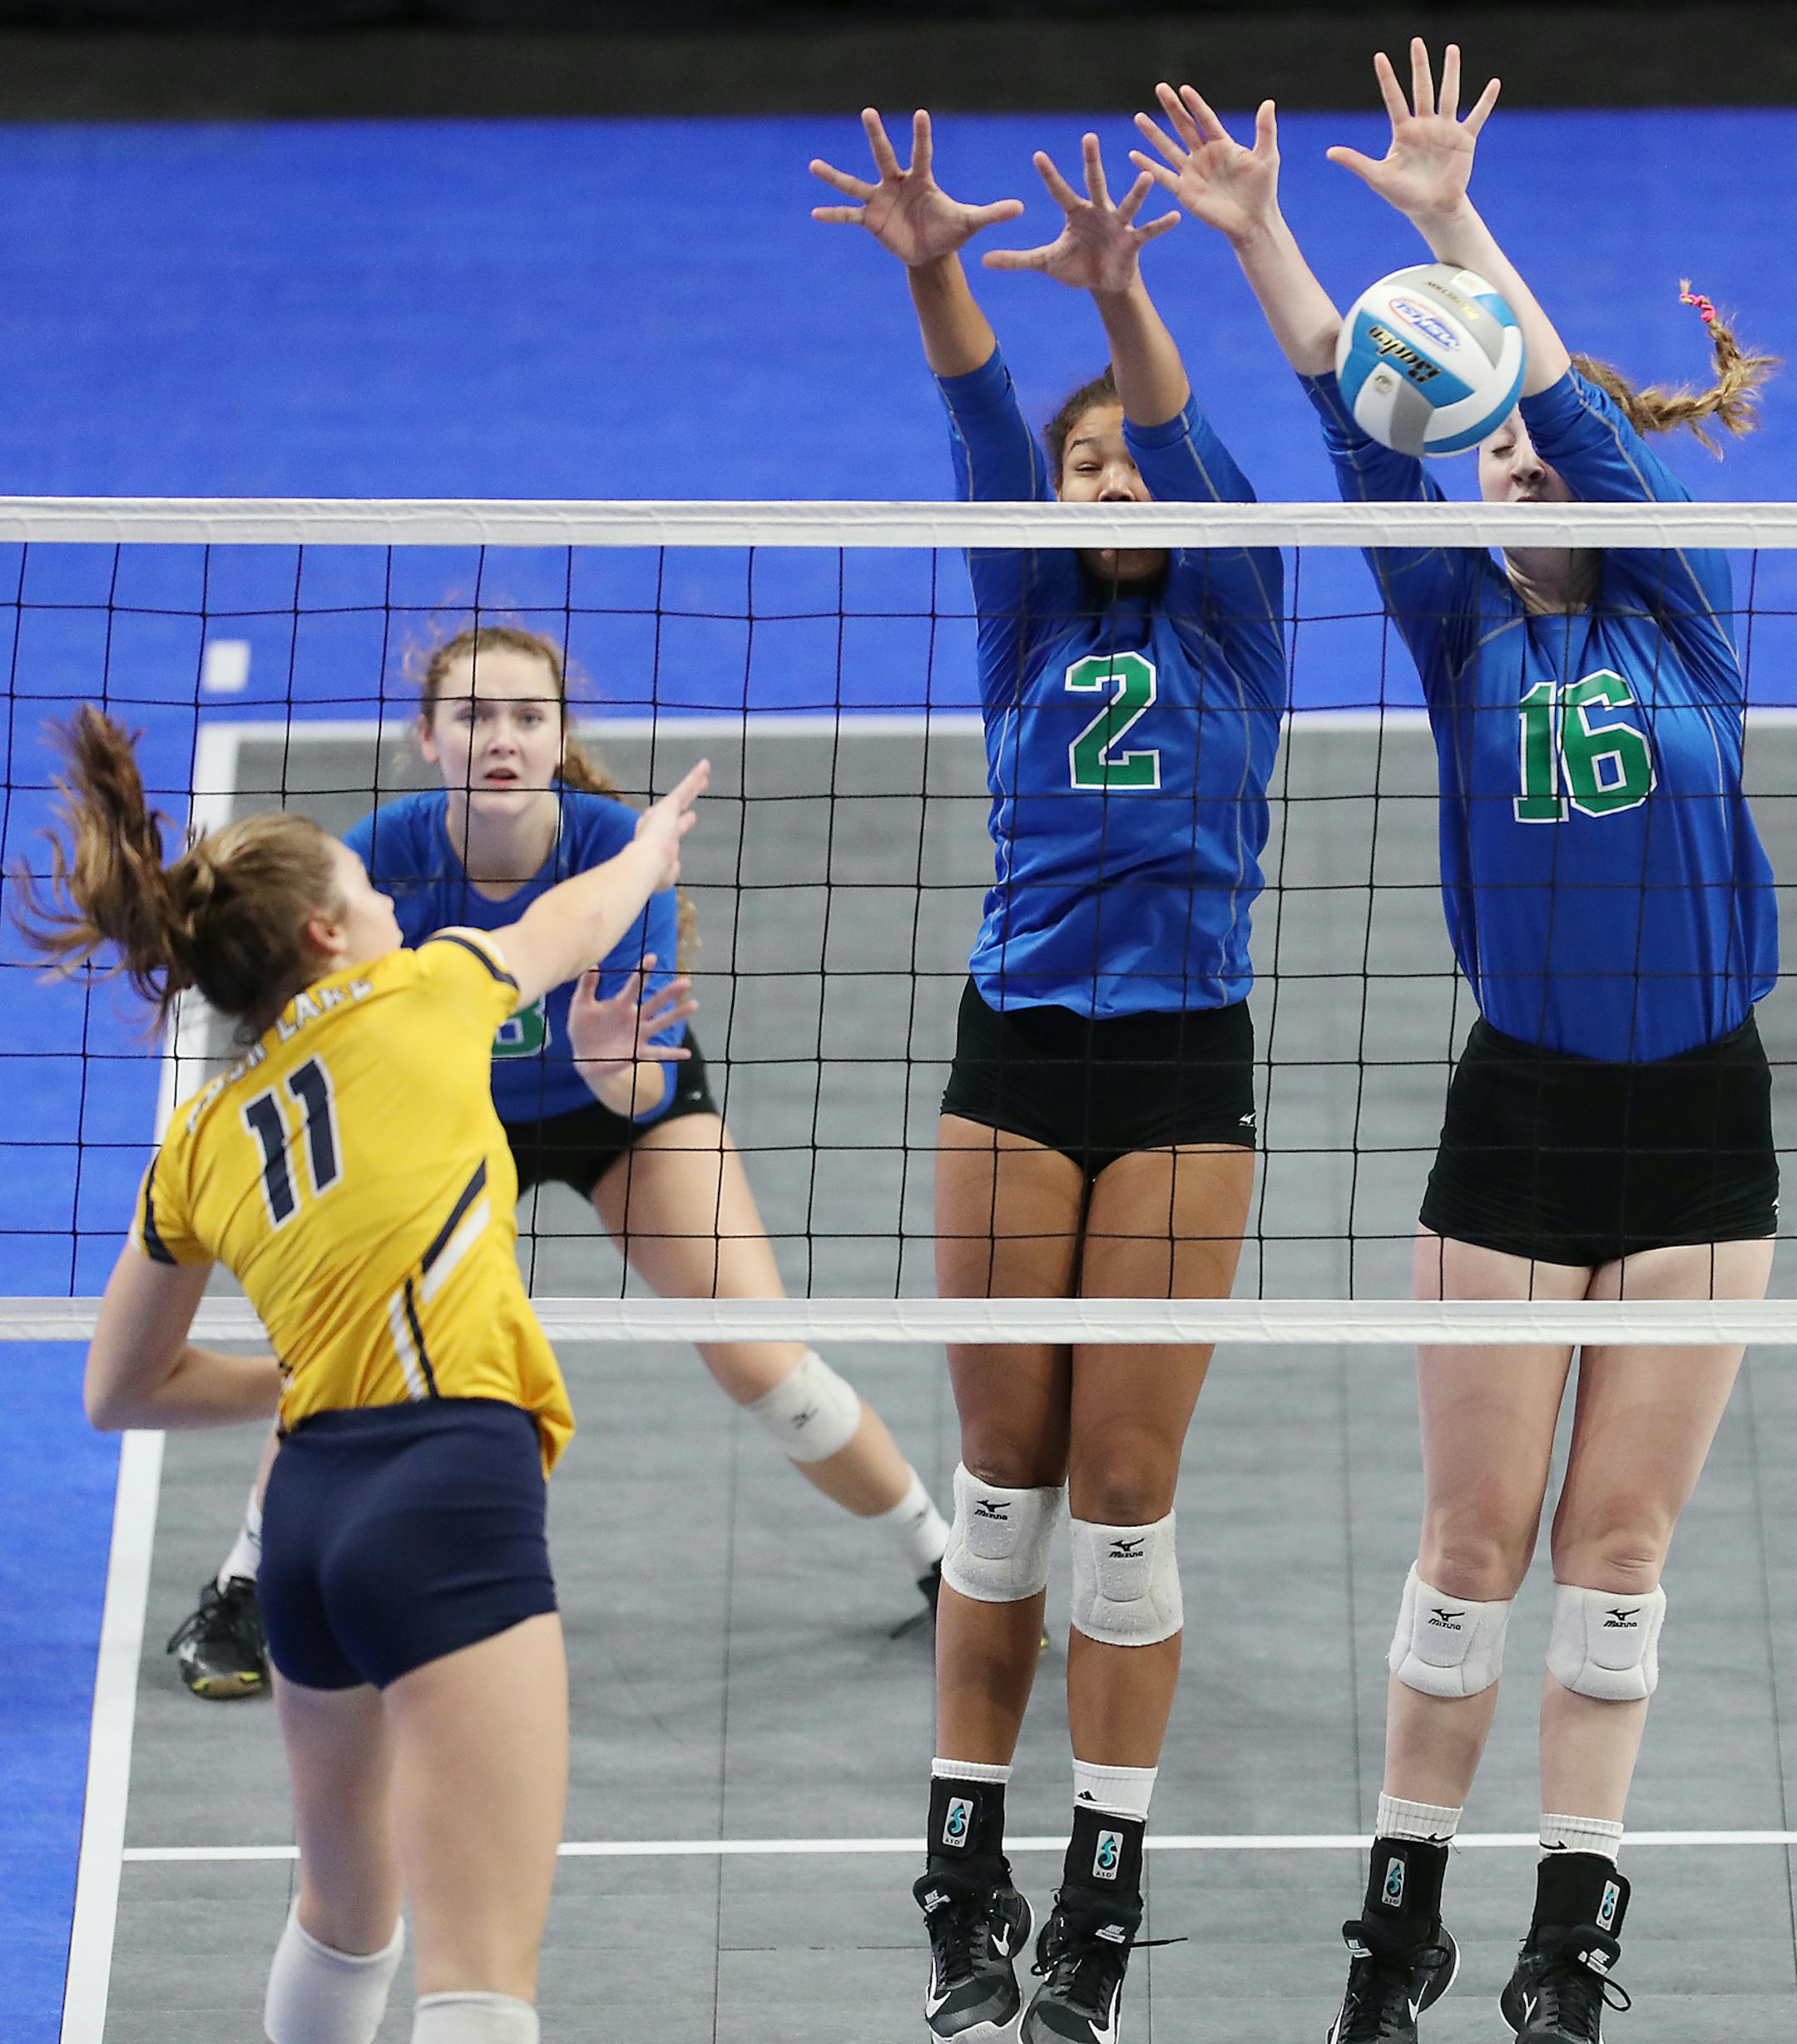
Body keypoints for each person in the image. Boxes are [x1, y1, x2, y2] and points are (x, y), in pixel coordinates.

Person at [1135, 41, 1779, 2042]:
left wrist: (1444, 220)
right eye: (1489, 467)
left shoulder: (1686, 609)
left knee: (1619, 1552)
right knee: (1471, 1543)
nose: (1509, 479)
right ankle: (1395, 1929)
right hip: (1517, 1125)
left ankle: (1567, 1934)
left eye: (1531, 460)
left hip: (1701, 1126)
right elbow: (1361, 424)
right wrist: (1264, 242)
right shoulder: (1458, 628)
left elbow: (1561, 389)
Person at [16, 703, 705, 2043]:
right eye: (368, 887)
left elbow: (118, 1390)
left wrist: (296, 1381)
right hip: (448, 1486)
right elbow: (570, 923)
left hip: (309, 1524)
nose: (396, 897)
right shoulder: (424, 987)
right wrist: (654, 845)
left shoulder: (201, 1136)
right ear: (328, 936)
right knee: (481, 1970)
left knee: (344, 1912)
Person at [811, 109, 1285, 2044]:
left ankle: (1100, 1888)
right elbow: (981, 431)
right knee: (1000, 1478)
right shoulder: (1025, 617)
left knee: (1126, 1484)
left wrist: (1127, 286)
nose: (1100, 480)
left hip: (1185, 1070)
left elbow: (1170, 433)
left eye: (1125, 460)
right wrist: (936, 268)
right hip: (1015, 1062)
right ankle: (961, 1871)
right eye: (1079, 463)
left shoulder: (1238, 619)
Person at [166, 623, 948, 1700]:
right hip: (441, 1118)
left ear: (560, 734)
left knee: (759, 1356)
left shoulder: (607, 845)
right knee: (350, 1351)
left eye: (528, 716)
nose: (503, 737)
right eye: (475, 716)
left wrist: (605, 1062)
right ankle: (245, 1585)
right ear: (428, 737)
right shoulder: (381, 861)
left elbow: (638, 1082)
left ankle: (944, 1557)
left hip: (615, 1112)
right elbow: (324, 1042)